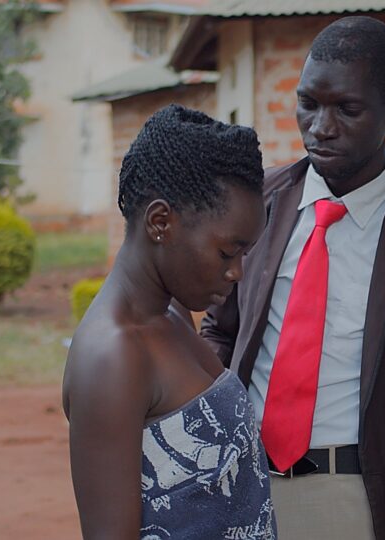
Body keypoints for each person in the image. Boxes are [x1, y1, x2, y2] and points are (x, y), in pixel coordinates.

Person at [201, 16, 385, 540]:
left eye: (347, 109)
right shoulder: (258, 206)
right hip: (239, 485)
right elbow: (220, 332)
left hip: (352, 502)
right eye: (309, 103)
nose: (321, 126)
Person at [62, 104, 276, 539]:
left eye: (244, 254)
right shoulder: (114, 356)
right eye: (226, 252)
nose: (237, 272)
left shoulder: (174, 316)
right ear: (161, 222)